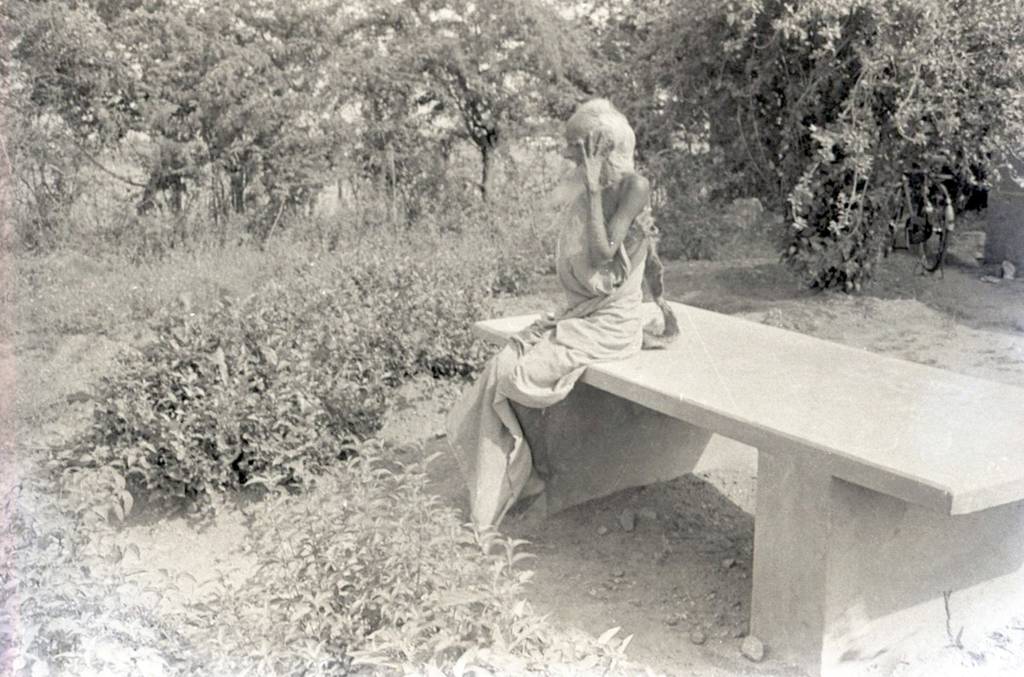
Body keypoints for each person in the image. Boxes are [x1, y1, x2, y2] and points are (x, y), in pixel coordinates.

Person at [446, 98, 662, 529]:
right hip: (582, 315)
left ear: (600, 149)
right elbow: (563, 231)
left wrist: (594, 188)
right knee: (501, 365)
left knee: (514, 377)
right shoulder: (584, 189)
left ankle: (535, 479)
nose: (566, 156)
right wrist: (587, 186)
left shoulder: (634, 187)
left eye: (575, 148)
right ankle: (518, 480)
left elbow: (603, 255)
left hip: (610, 326)